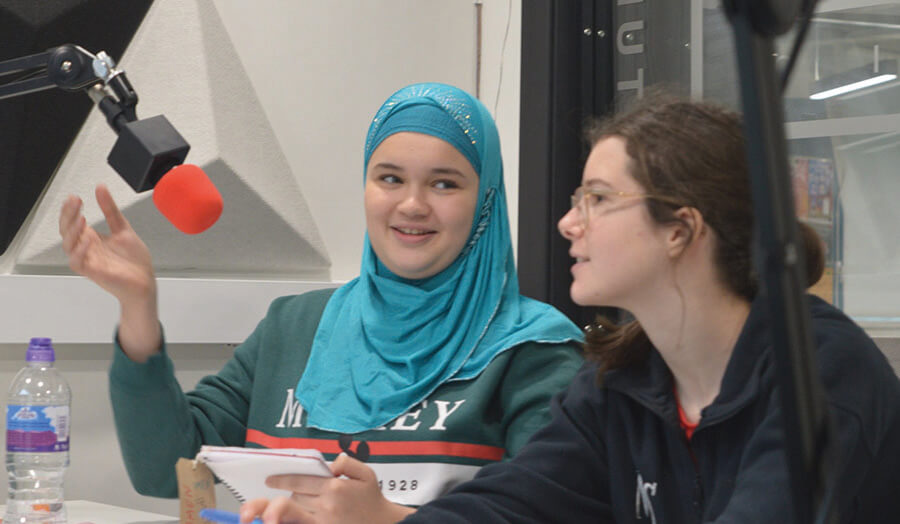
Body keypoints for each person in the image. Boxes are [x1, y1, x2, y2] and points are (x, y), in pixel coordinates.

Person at [242, 94, 900, 523]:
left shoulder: (822, 370)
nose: (566, 224)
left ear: (681, 229)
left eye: (596, 199)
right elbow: (511, 508)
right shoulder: (622, 380)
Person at [58, 82, 584, 522]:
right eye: (390, 178)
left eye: (444, 184)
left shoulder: (535, 351)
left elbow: (555, 515)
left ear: (485, 200)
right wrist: (138, 309)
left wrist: (389, 519)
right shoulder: (297, 326)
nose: (412, 205)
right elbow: (164, 467)